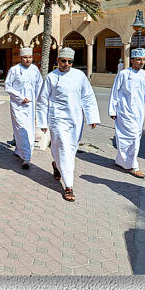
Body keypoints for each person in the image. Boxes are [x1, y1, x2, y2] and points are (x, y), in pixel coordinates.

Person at [37, 47, 100, 202]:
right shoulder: (51, 77)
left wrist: (92, 117)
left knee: (70, 149)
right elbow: (42, 100)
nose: (66, 64)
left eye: (69, 62)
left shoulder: (80, 76)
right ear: (58, 61)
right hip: (57, 119)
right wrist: (42, 122)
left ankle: (57, 166)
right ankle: (69, 186)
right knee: (64, 147)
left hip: (75, 120)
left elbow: (88, 97)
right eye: (63, 61)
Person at [108, 48, 145, 179]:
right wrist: (112, 110)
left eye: (143, 60)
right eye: (138, 59)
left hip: (139, 113)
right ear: (132, 60)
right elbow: (115, 92)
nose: (141, 62)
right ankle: (134, 166)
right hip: (124, 111)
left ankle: (121, 161)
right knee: (131, 138)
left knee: (133, 137)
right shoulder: (124, 74)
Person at [4, 47, 42, 169]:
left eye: (30, 57)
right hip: (17, 105)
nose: (28, 60)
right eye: (25, 57)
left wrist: (40, 102)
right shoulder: (14, 70)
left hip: (30, 106)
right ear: (21, 58)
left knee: (29, 129)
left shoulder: (35, 70)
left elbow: (39, 86)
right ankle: (26, 157)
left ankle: (19, 151)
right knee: (20, 128)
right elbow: (7, 86)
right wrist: (20, 97)